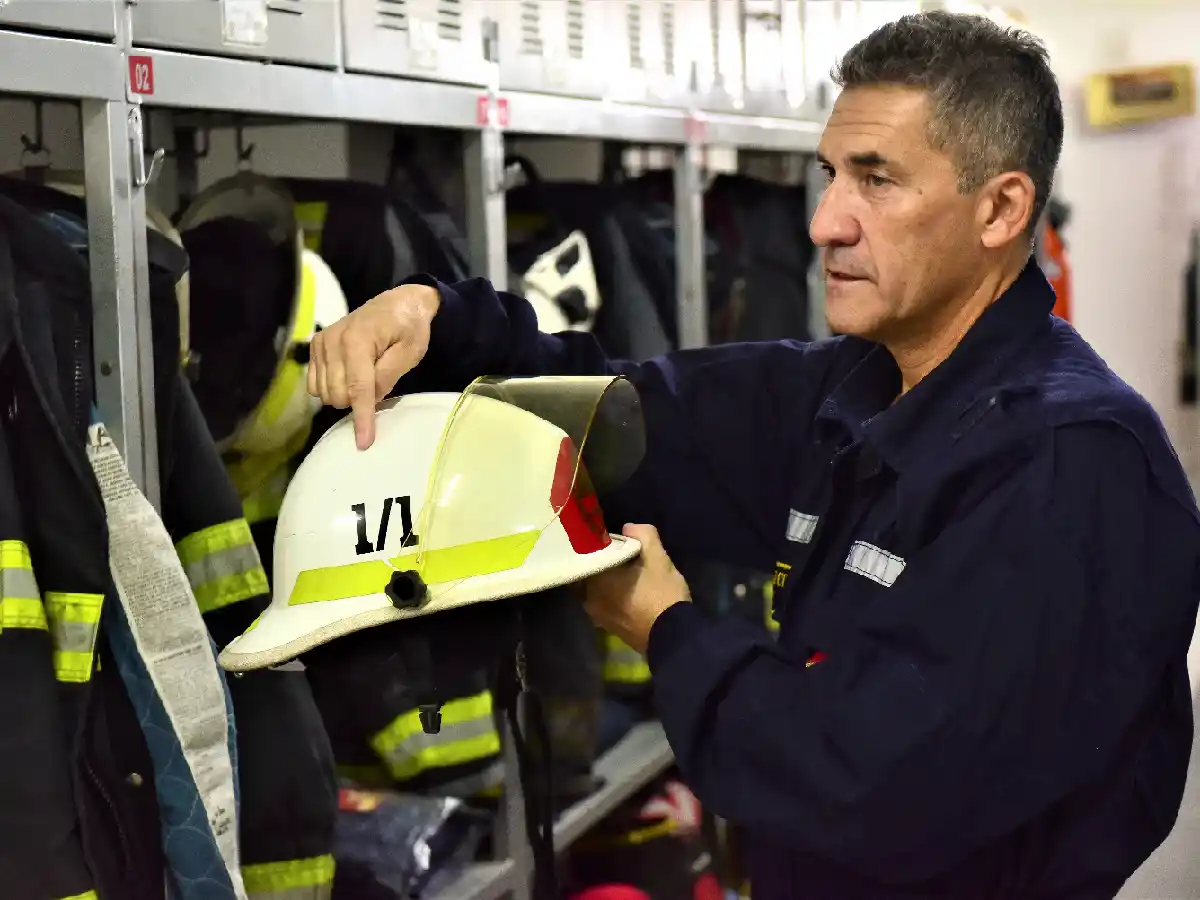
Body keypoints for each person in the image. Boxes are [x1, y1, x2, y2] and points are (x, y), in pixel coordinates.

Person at [306, 12, 1200, 900]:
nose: (823, 224)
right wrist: (438, 316)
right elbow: (619, 408)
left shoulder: (1066, 466)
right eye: (829, 175)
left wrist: (669, 630)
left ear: (1001, 208)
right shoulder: (850, 391)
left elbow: (872, 791)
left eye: (876, 181)